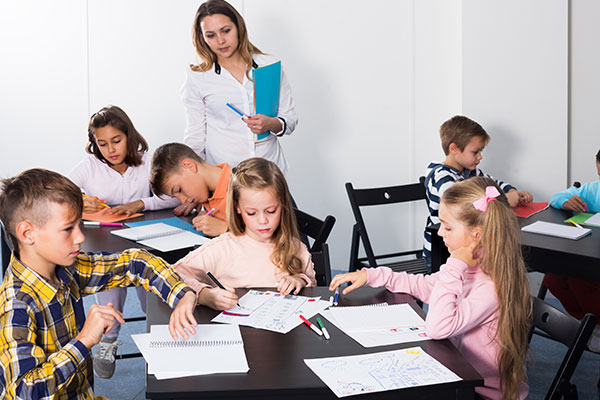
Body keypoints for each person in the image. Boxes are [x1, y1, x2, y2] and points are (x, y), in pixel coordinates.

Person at [0, 168, 197, 399]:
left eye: (79, 225)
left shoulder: (65, 269)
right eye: (68, 229)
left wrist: (182, 293)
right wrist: (84, 341)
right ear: (27, 233)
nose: (80, 237)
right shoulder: (15, 306)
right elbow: (23, 391)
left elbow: (136, 261)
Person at [330, 177, 531, 400]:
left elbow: (438, 326)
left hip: (480, 392)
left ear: (477, 234)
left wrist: (455, 265)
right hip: (458, 372)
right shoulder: (471, 268)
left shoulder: (490, 286)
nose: (440, 233)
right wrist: (374, 274)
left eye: (447, 227)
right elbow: (427, 286)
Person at [68, 105, 180, 379]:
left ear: (129, 136)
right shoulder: (89, 167)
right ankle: (108, 340)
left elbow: (175, 196)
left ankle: (160, 337)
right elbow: (60, 194)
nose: (110, 149)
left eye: (116, 141)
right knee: (110, 284)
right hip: (107, 241)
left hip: (145, 241)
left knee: (150, 287)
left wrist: (141, 203)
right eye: (102, 143)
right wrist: (80, 201)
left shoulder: (148, 162)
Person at [173, 157, 316, 311]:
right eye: (251, 213)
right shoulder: (223, 248)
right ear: (238, 208)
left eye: (271, 211)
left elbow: (313, 287)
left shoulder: (297, 248)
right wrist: (205, 295)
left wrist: (300, 280)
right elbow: (174, 275)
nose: (263, 220)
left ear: (282, 205)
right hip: (234, 330)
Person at [181, 0, 298, 175]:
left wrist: (272, 123)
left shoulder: (269, 66)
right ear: (202, 38)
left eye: (226, 31)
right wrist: (193, 177)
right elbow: (195, 137)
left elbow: (289, 119)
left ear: (238, 27)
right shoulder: (198, 77)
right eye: (211, 35)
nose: (221, 41)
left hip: (270, 172)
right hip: (226, 176)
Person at [423, 115, 533, 270]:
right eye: (475, 152)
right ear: (454, 149)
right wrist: (505, 200)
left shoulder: (472, 172)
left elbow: (494, 184)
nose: (480, 157)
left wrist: (511, 191)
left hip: (469, 246)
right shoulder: (441, 176)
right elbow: (461, 205)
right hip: (444, 251)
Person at [546, 148, 600, 352]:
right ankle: (588, 322)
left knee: (581, 281)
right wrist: (565, 201)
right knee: (553, 279)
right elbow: (558, 196)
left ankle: (593, 325)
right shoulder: (593, 190)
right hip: (585, 252)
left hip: (592, 265)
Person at [150, 142, 231, 237]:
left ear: (189, 166)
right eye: (175, 197)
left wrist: (225, 228)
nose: (183, 200)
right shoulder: (207, 195)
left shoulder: (243, 187)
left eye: (179, 190)